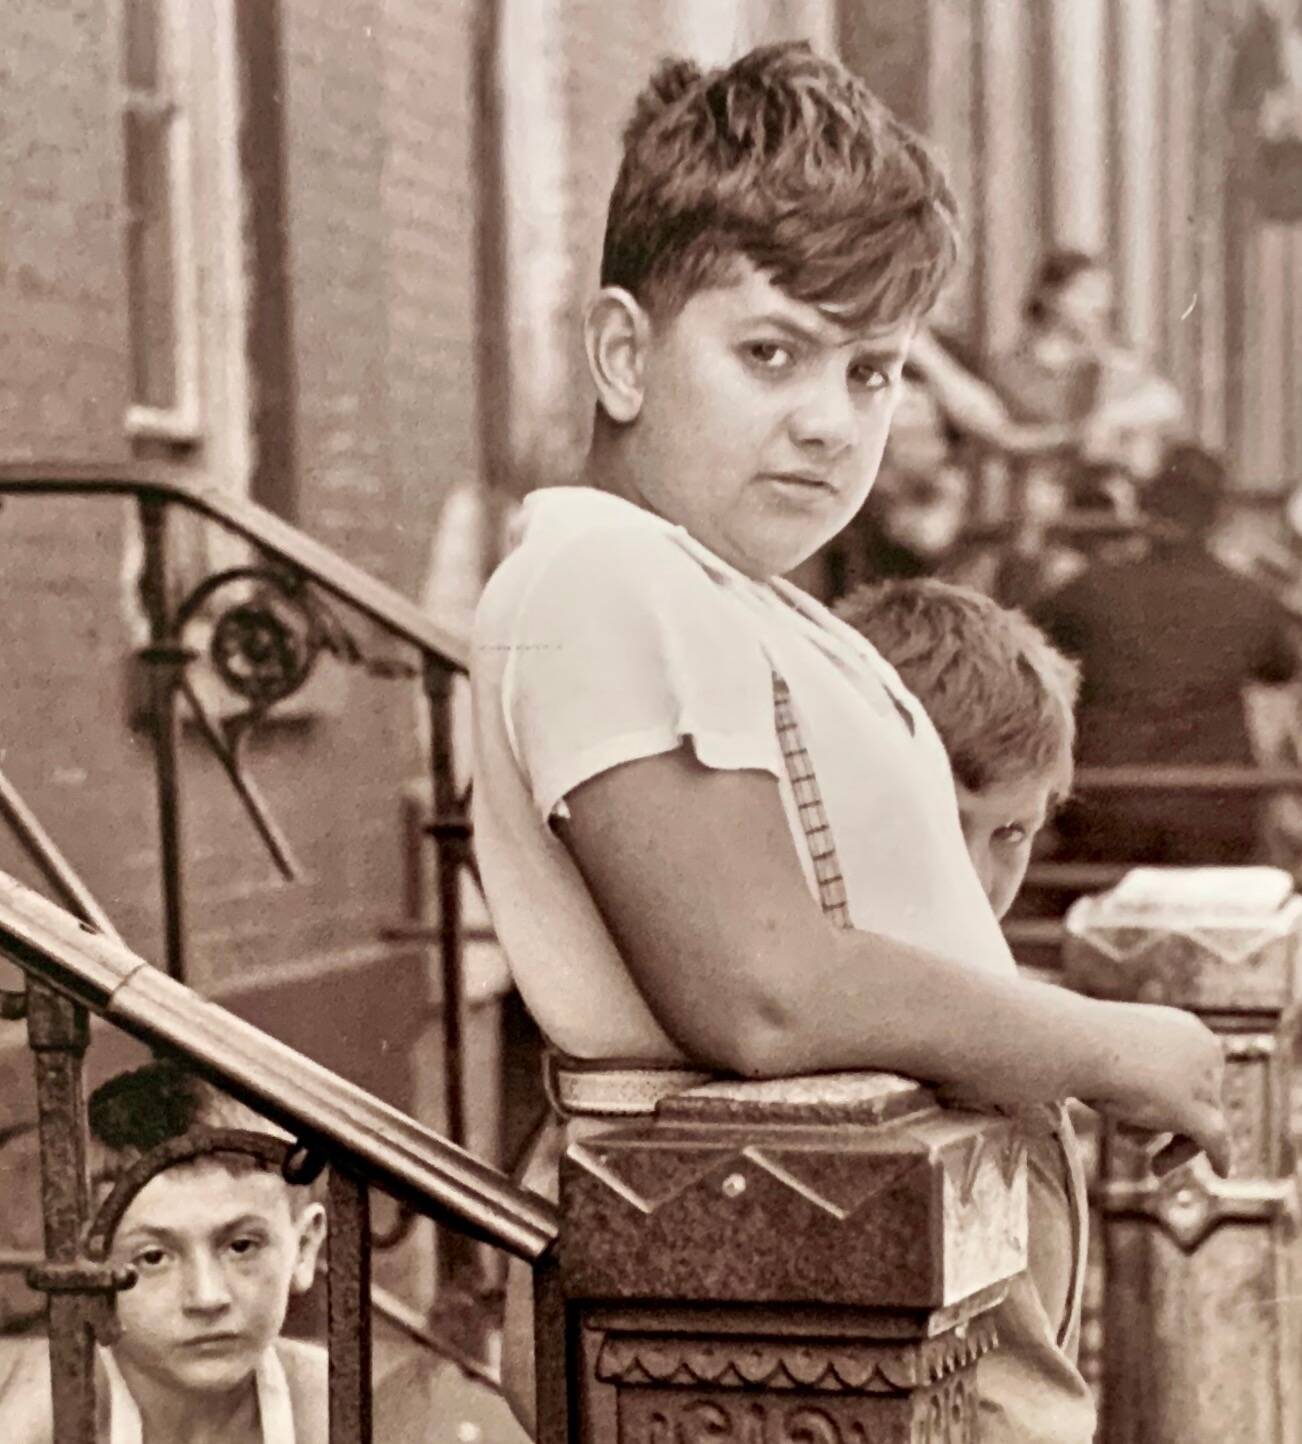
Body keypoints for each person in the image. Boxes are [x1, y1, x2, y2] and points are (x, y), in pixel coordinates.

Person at [469, 42, 1228, 1444]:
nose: (830, 423)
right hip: (791, 1348)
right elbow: (758, 986)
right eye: (770, 353)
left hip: (899, 1329)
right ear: (624, 351)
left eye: (872, 371)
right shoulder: (602, 577)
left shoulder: (733, 595)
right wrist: (1098, 1042)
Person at [0, 1059, 328, 1444]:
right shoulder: (47, 1415)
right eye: (153, 1257)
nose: (207, 1297)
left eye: (241, 1247)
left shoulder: (331, 1406)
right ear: (88, 1269)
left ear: (303, 1247)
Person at [1032, 441, 1300, 867]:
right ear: (1220, 515)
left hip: (1103, 813)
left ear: (1143, 507)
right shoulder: (1249, 598)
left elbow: (1028, 645)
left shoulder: (1088, 592)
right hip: (1216, 817)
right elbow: (1280, 667)